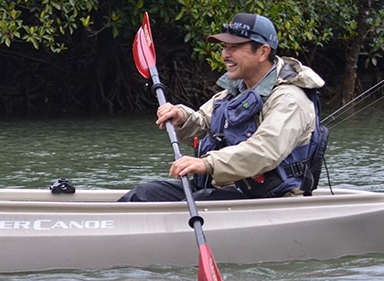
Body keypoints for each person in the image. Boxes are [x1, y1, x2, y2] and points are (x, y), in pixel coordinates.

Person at [119, 12, 326, 202]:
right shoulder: (235, 91)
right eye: (225, 47)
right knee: (141, 195)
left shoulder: (290, 98)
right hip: (224, 188)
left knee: (196, 203)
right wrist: (181, 117)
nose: (225, 55)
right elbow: (203, 123)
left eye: (234, 47)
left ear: (263, 52)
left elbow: (265, 151)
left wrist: (207, 164)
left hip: (268, 197)